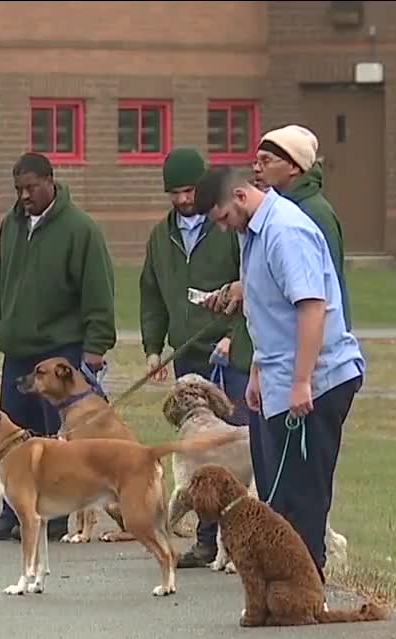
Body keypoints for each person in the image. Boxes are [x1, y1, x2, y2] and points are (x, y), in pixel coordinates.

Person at [193, 165, 365, 584]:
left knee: (303, 495)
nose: (222, 228)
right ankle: (288, 584)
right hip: (275, 377)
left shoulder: (286, 231)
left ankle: (309, 587)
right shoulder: (251, 235)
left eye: (221, 218)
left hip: (317, 380)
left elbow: (311, 307)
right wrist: (257, 370)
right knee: (277, 492)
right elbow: (266, 311)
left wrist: (302, 380)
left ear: (238, 195)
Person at [0, 152, 118, 542]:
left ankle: (53, 516)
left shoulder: (80, 229)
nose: (24, 196)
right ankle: (12, 512)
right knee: (9, 433)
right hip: (17, 348)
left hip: (60, 352)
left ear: (51, 181)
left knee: (59, 441)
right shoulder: (11, 226)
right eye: (18, 189)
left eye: (31, 187)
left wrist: (95, 347)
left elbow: (99, 292)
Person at [137, 146, 251, 569]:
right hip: (187, 358)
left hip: (229, 356)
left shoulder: (228, 227)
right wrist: (153, 348)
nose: (184, 200)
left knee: (236, 447)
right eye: (175, 192)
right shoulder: (160, 237)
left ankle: (242, 538)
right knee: (196, 454)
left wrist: (235, 338)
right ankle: (205, 541)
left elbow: (254, 285)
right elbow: (151, 294)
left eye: (189, 190)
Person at [252, 124, 353, 329]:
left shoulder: (315, 213)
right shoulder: (274, 211)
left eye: (266, 161)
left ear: (294, 166)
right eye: (256, 160)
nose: (256, 168)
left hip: (320, 340)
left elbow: (325, 287)